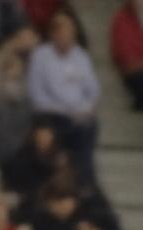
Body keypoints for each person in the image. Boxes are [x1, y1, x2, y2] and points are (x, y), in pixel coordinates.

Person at [26, 11, 100, 181]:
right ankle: (77, 178)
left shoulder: (81, 56)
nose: (66, 36)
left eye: (70, 32)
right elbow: (36, 95)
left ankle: (84, 178)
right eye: (61, 32)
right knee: (76, 128)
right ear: (53, 33)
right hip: (51, 114)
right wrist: (65, 111)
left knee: (89, 126)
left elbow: (93, 90)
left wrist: (84, 109)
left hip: (79, 113)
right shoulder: (40, 57)